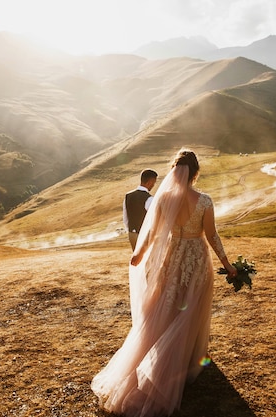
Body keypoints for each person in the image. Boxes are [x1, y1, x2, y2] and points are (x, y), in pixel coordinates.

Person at [92, 148, 238, 417]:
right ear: (195, 173)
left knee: (166, 307)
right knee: (190, 309)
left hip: (172, 258)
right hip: (195, 260)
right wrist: (228, 265)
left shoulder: (163, 200)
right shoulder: (204, 201)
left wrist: (139, 254)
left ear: (173, 170)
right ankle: (182, 363)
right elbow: (212, 236)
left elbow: (152, 234)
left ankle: (162, 357)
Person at [123, 169, 158, 250]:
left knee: (137, 260)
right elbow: (153, 219)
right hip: (144, 235)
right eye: (154, 182)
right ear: (150, 182)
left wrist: (131, 230)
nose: (153, 185)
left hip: (132, 234)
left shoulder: (128, 196)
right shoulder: (149, 199)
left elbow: (125, 218)